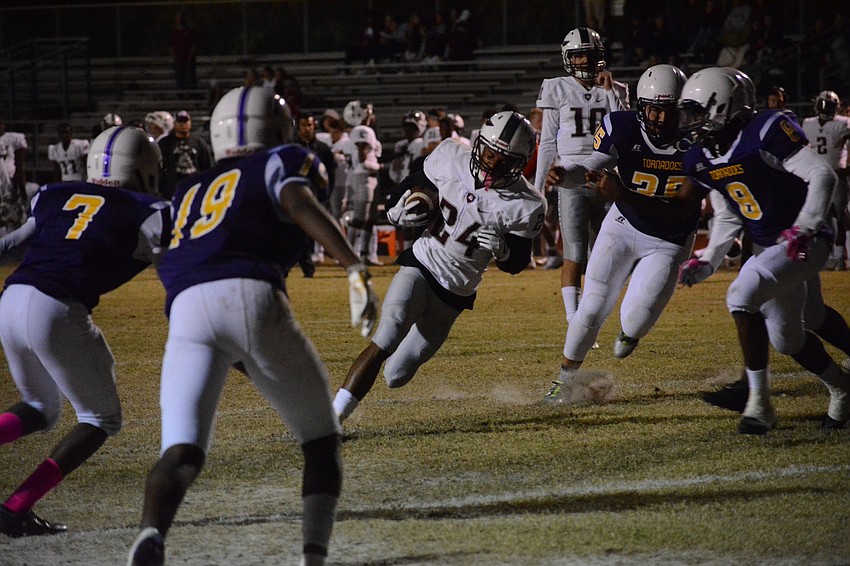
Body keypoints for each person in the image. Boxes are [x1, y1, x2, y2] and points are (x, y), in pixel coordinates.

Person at [126, 86, 378, 566]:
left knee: (181, 450)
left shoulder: (190, 186)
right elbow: (297, 199)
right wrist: (353, 266)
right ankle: (312, 558)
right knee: (321, 442)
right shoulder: (281, 160)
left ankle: (149, 537)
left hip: (185, 310)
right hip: (249, 291)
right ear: (277, 129)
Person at [0, 126, 168, 537]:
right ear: (146, 169)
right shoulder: (150, 210)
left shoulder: (56, 194)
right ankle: (15, 507)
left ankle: (15, 509)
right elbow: (174, 265)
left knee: (42, 408)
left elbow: (15, 244)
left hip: (11, 298)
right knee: (101, 418)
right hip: (56, 306)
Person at [332, 111, 546, 422]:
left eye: (505, 159)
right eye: (490, 153)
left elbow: (517, 262)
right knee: (387, 335)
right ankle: (333, 419)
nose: (493, 164)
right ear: (478, 145)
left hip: (455, 293)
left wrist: (503, 249)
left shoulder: (527, 204)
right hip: (422, 264)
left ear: (520, 161)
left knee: (396, 375)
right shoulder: (449, 155)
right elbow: (407, 188)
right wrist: (397, 212)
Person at [676, 67, 850, 434]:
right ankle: (842, 386)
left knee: (741, 294)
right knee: (790, 337)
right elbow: (727, 214)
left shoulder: (764, 131)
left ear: (721, 106)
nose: (689, 121)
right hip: (771, 246)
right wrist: (708, 258)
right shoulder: (702, 155)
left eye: (695, 110)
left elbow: (823, 175)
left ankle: (759, 404)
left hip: (808, 239)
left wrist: (805, 227)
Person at [543, 64, 696, 402]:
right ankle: (564, 380)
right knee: (593, 306)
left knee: (635, 319)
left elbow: (682, 208)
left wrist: (622, 193)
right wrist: (563, 175)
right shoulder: (622, 126)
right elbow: (589, 170)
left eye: (666, 110)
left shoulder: (696, 141)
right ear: (640, 106)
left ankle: (631, 334)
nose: (658, 118)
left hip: (668, 240)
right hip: (624, 225)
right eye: (652, 108)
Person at [534, 27, 628, 359]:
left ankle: (596, 319)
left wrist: (612, 92)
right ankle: (575, 322)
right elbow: (547, 142)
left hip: (606, 176)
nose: (583, 60)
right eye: (577, 55)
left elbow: (624, 130)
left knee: (610, 255)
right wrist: (537, 187)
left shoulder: (615, 90)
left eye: (588, 54)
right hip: (571, 175)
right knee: (575, 252)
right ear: (567, 59)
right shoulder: (556, 88)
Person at [801, 91, 850, 271]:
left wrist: (848, 168)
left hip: (836, 174)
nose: (825, 109)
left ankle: (839, 256)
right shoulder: (808, 123)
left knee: (839, 215)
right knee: (818, 216)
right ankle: (825, 255)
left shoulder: (843, 123)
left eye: (828, 106)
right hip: (816, 175)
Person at [295, 113, 336, 275]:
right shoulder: (293, 147)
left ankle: (308, 265)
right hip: (296, 195)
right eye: (304, 125)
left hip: (315, 195)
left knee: (310, 231)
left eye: (310, 125)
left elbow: (330, 174)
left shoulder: (322, 149)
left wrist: (326, 195)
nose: (307, 128)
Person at [340, 124, 381, 265]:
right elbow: (362, 159)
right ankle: (347, 254)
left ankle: (364, 254)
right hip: (364, 177)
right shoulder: (362, 131)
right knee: (359, 218)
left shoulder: (364, 131)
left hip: (366, 178)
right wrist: (377, 166)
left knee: (370, 219)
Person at [157, 110, 215, 199]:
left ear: (190, 122)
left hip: (195, 190)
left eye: (185, 121)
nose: (183, 125)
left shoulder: (199, 143)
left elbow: (207, 166)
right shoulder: (165, 143)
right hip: (172, 191)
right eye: (180, 122)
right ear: (174, 123)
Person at [0, 121, 29, 235]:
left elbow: (20, 164)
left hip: (9, 180)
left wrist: (21, 185)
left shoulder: (13, 138)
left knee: (13, 211)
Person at [169, 11, 197, 94]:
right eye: (177, 17)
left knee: (190, 78)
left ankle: (192, 94)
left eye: (180, 17)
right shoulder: (173, 32)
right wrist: (174, 58)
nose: (179, 20)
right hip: (178, 60)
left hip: (188, 60)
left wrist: (189, 57)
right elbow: (171, 46)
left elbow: (193, 45)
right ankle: (180, 95)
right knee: (179, 78)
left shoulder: (190, 32)